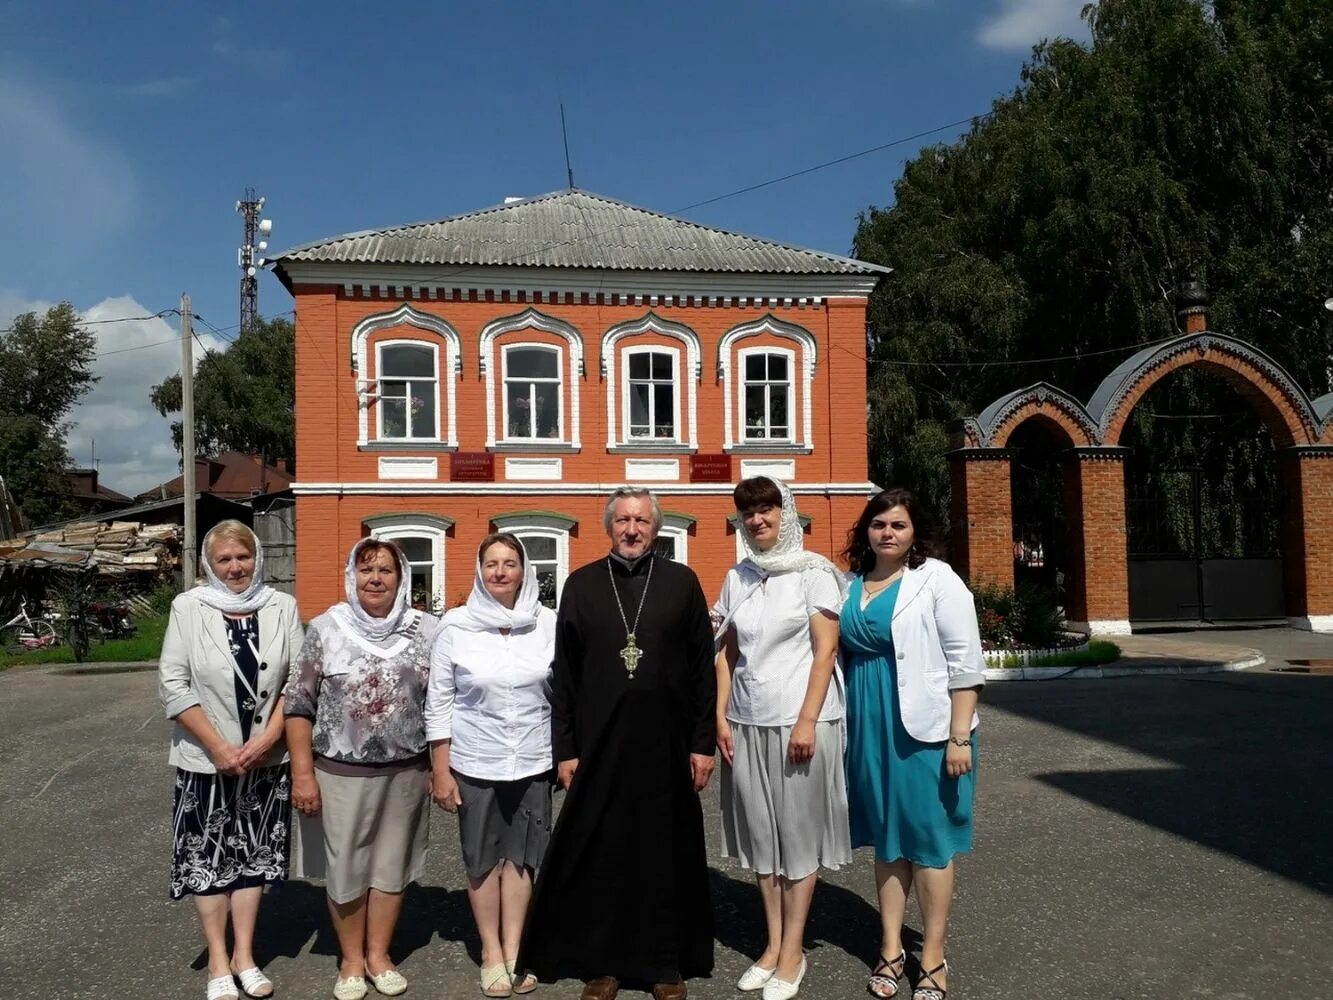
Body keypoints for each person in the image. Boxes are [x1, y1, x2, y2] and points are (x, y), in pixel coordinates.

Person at [518, 487, 717, 1000]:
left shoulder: (682, 582)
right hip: (598, 746)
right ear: (610, 526)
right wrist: (565, 748)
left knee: (663, 853)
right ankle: (601, 964)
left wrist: (702, 744)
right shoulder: (582, 585)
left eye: (642, 522)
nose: (632, 529)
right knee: (602, 855)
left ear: (656, 528)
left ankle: (664, 966)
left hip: (667, 746)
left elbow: (702, 671)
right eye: (624, 520)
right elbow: (564, 676)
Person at [839, 490, 984, 1000]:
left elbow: (966, 660)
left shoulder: (937, 580)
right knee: (888, 840)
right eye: (878, 524)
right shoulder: (853, 585)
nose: (887, 533)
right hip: (868, 729)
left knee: (929, 846)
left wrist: (959, 735)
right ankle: (890, 948)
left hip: (927, 732)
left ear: (913, 532)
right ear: (867, 530)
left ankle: (933, 957)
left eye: (898, 525)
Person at [284, 537, 442, 1000]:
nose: (375, 578)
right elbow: (297, 705)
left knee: (392, 867)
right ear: (352, 575)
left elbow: (441, 703)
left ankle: (379, 955)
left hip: (407, 771)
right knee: (347, 869)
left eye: (386, 571)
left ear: (402, 578)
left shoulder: (427, 630)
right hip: (339, 772)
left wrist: (440, 766)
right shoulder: (326, 629)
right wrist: (302, 773)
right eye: (366, 569)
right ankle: (351, 960)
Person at [713, 477, 850, 1000]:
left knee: (795, 835)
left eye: (766, 509)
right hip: (747, 722)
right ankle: (770, 945)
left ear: (785, 513)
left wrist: (807, 720)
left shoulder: (814, 574)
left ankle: (793, 952)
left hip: (801, 724)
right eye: (747, 513)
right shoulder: (738, 576)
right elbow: (726, 652)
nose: (756, 520)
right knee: (761, 838)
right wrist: (721, 716)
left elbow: (825, 651)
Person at [158, 519, 304, 1000]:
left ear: (256, 557)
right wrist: (220, 747)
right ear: (209, 564)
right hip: (206, 760)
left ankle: (245, 955)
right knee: (208, 858)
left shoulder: (281, 606)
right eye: (225, 559)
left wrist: (266, 741)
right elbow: (173, 685)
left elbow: (297, 685)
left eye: (243, 557)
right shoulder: (189, 607)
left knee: (254, 857)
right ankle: (218, 961)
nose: (236, 567)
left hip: (266, 760)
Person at [426, 534, 557, 997]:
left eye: (510, 563)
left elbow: (564, 694)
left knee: (522, 860)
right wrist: (440, 769)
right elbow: (438, 701)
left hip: (533, 757)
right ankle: (491, 952)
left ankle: (517, 947)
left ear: (525, 571)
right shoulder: (456, 625)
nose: (500, 572)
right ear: (480, 570)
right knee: (482, 860)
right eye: (491, 563)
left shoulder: (548, 623)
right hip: (475, 759)